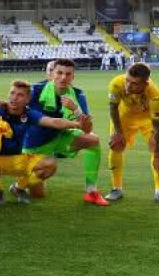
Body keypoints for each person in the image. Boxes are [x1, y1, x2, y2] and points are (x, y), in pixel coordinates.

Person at [23, 59, 106, 205]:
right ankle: (20, 184)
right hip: (35, 144)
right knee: (38, 194)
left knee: (93, 140)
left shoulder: (77, 94)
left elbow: (87, 129)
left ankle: (91, 190)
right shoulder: (35, 91)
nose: (63, 77)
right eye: (59, 73)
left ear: (73, 77)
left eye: (68, 74)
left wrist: (76, 109)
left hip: (59, 138)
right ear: (51, 74)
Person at [0, 80, 79, 204]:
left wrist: (78, 124)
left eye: (20, 95)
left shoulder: (28, 113)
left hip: (17, 159)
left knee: (50, 165)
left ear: (28, 99)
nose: (14, 98)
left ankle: (18, 188)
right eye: (12, 93)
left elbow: (53, 122)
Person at [105, 63, 159, 205]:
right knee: (116, 145)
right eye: (127, 80)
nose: (128, 86)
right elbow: (113, 109)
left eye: (134, 84)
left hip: (148, 119)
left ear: (145, 83)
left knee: (155, 146)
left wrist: (158, 156)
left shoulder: (155, 97)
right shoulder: (116, 84)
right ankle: (116, 188)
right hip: (125, 118)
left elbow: (158, 128)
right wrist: (118, 132)